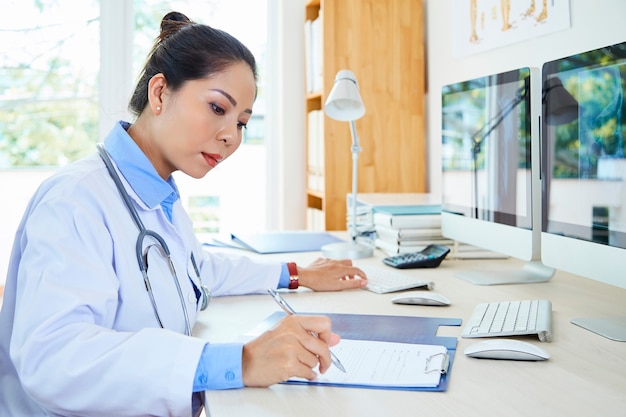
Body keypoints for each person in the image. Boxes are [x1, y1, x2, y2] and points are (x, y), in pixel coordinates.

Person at [0, 11, 368, 417]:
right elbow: (52, 360)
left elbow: (196, 268)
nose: (231, 136)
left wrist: (296, 273)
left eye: (243, 123)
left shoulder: (158, 197)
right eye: (217, 108)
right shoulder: (75, 200)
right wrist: (238, 362)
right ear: (159, 94)